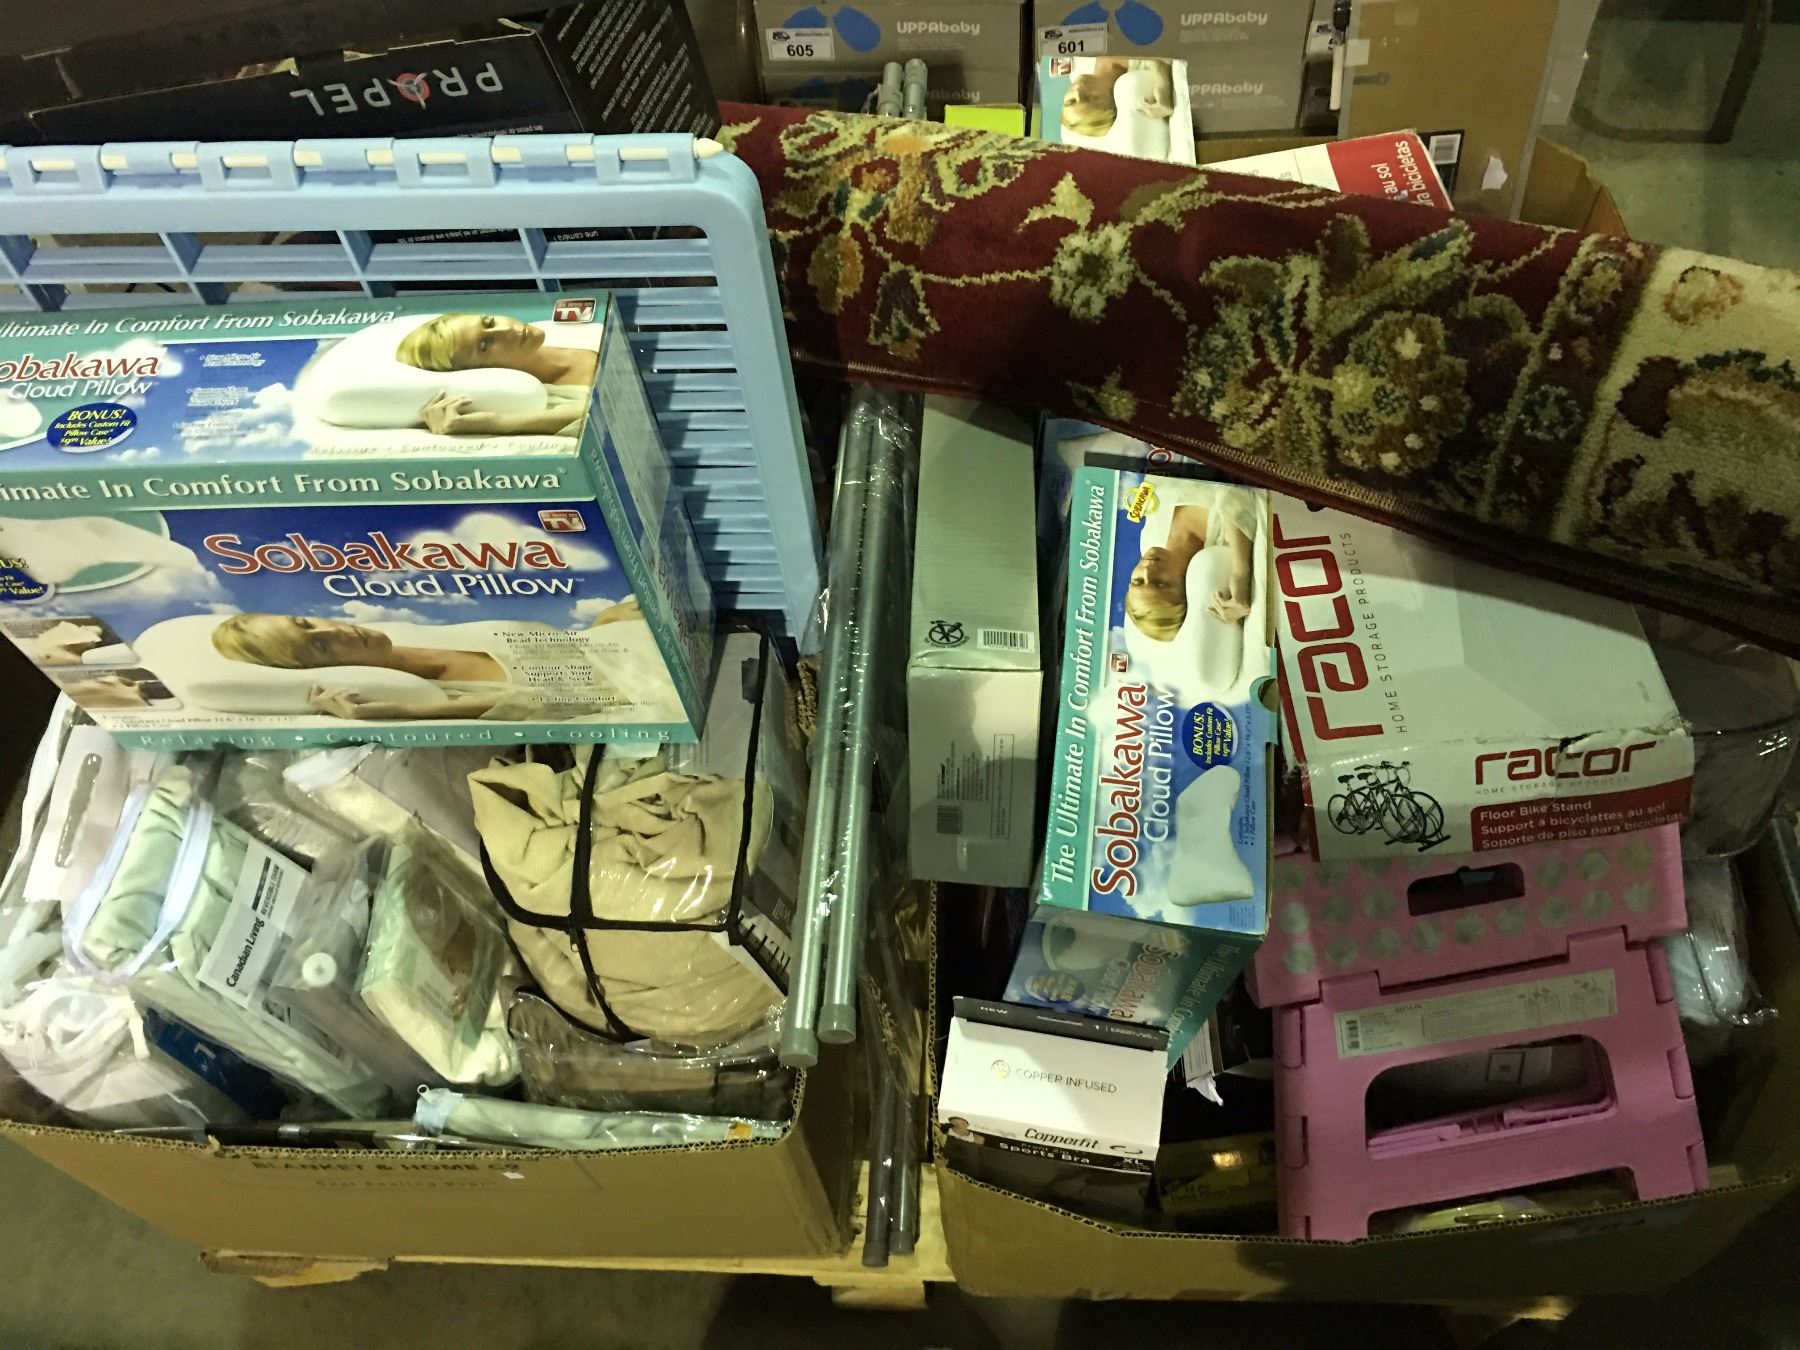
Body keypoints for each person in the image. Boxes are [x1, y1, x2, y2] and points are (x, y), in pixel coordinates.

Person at [209, 602, 672, 723]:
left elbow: (561, 652)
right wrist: (404, 713)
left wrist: (603, 624)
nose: (337, 631)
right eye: (320, 648)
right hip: (667, 682)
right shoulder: (437, 698)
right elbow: (549, 701)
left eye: (306, 622)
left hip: (645, 632)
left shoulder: (428, 630)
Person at [394, 312, 596, 437]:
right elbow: (591, 418)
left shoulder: (578, 330)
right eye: (485, 345)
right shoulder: (541, 402)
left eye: (489, 322)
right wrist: (495, 422)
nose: (507, 329)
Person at [1124, 480, 1258, 642]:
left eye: (1138, 581)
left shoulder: (1150, 539)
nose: (1147, 570)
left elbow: (1154, 479)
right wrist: (1240, 572)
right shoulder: (1225, 543)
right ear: (1185, 586)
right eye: (1160, 583)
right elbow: (1235, 492)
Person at [1060, 57, 1177, 140]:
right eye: (1091, 98)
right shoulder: (1138, 68)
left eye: (1071, 101)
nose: (1077, 92)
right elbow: (1156, 58)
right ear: (1112, 100)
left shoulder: (1078, 62)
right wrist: (1163, 84)